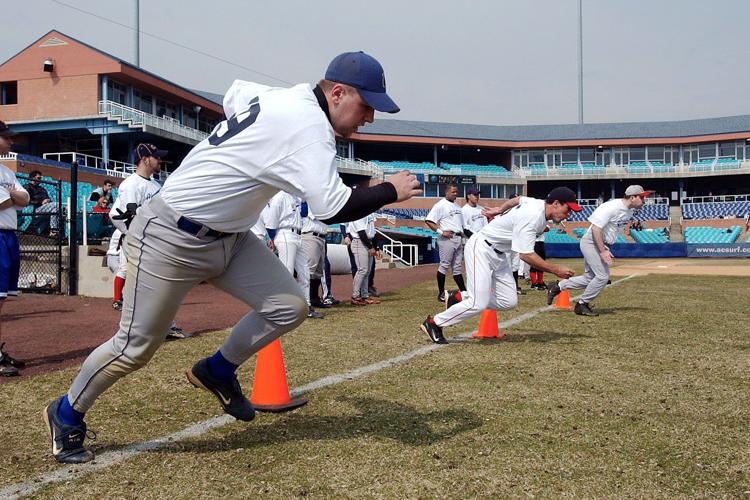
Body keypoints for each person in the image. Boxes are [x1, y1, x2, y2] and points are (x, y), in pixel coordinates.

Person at [43, 51, 420, 464]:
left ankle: (217, 370)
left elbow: (235, 94)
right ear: (338, 92)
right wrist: (390, 190)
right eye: (365, 105)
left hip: (232, 236)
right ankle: (65, 411)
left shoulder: (285, 97)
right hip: (171, 234)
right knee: (135, 347)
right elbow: (332, 207)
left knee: (288, 307)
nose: (369, 118)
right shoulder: (311, 127)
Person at [420, 187, 579, 344]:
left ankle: (460, 297)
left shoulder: (536, 203)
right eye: (568, 209)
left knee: (509, 301)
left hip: (499, 254)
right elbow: (525, 255)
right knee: (478, 304)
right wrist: (555, 270)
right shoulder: (533, 217)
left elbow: (517, 199)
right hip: (481, 248)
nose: (569, 214)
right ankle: (434, 323)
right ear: (556, 203)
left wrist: (499, 209)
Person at [547, 185, 653, 316]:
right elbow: (596, 229)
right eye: (642, 197)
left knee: (589, 278)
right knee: (602, 277)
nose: (644, 201)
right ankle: (582, 304)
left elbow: (611, 230)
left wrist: (606, 246)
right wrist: (602, 250)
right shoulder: (611, 207)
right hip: (592, 242)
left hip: (600, 243)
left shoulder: (629, 211)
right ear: (632, 197)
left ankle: (558, 286)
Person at [0, 120, 30, 376]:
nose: (11, 142)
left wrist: (10, 195)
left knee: (1, 299)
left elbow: (26, 198)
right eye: (6, 138)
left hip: (8, 235)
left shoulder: (6, 171)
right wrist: (12, 196)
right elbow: (11, 200)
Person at [265, 191, 322, 319]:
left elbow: (304, 214)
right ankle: (283, 308)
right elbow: (270, 223)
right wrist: (273, 239)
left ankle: (306, 307)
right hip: (285, 234)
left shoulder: (295, 196)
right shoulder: (279, 197)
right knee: (287, 273)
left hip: (298, 235)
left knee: (305, 273)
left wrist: (305, 200)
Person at [425, 183, 465, 301]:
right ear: (446, 192)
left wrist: (461, 232)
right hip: (447, 238)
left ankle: (464, 292)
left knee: (457, 268)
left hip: (457, 238)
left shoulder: (458, 206)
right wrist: (441, 232)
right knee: (444, 266)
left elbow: (460, 223)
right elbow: (429, 220)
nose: (455, 194)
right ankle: (441, 293)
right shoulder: (440, 205)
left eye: (456, 191)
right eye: (453, 192)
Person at [301, 203, 331, 309]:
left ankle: (314, 298)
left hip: (321, 237)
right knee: (309, 270)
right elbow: (315, 214)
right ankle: (306, 300)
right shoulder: (310, 202)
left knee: (318, 271)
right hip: (311, 236)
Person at [347, 211, 379, 305]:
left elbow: (374, 231)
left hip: (368, 242)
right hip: (359, 243)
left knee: (367, 271)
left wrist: (376, 247)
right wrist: (370, 247)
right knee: (362, 270)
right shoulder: (358, 213)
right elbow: (361, 233)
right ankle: (355, 296)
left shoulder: (370, 213)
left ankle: (365, 295)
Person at [24, 170, 58, 235]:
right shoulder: (27, 187)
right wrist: (41, 202)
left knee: (56, 209)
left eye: (40, 178)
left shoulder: (42, 189)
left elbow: (48, 199)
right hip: (35, 209)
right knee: (56, 205)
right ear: (32, 178)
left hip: (45, 208)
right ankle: (53, 230)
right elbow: (27, 200)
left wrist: (48, 201)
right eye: (38, 178)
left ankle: (54, 231)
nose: (40, 180)